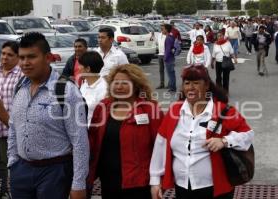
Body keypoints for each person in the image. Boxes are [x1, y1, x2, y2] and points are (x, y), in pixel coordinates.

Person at [150, 64, 254, 199]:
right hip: (182, 187)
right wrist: (155, 181)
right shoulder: (174, 111)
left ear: (206, 86)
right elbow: (161, 145)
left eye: (196, 83)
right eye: (187, 83)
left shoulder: (223, 111)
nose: (190, 87)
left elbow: (248, 134)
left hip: (216, 188)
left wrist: (224, 141)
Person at [7, 32, 89, 199]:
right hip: (21, 171)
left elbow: (80, 141)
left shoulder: (66, 90)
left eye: (31, 57)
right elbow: (14, 128)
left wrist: (78, 184)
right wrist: (13, 163)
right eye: (21, 58)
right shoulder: (20, 87)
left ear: (48, 57)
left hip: (55, 173)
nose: (25, 63)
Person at [87, 64, 164, 199]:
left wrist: (158, 180)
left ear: (136, 86)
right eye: (116, 83)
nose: (119, 87)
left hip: (139, 183)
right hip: (108, 181)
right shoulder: (102, 108)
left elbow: (161, 147)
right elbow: (92, 141)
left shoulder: (150, 110)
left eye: (125, 83)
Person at [0, 41, 22, 198]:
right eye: (3, 53)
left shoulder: (21, 75)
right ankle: (2, 192)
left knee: (10, 165)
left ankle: (9, 192)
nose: (5, 57)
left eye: (10, 55)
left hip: (11, 130)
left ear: (18, 58)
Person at [78, 51, 107, 126]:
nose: (78, 68)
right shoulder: (84, 84)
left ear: (88, 69)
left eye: (80, 65)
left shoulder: (104, 89)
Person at [163, 24, 177, 92]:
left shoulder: (168, 38)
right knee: (172, 73)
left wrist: (165, 58)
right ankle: (172, 86)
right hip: (171, 57)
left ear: (166, 30)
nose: (162, 30)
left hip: (169, 59)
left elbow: (168, 49)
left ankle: (172, 87)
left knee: (170, 73)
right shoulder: (171, 37)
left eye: (163, 29)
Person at [156, 24, 167, 89]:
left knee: (168, 70)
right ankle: (162, 83)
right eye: (161, 28)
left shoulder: (168, 35)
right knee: (161, 70)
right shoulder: (159, 35)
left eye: (163, 28)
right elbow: (157, 42)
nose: (161, 30)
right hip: (160, 54)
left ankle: (170, 84)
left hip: (166, 54)